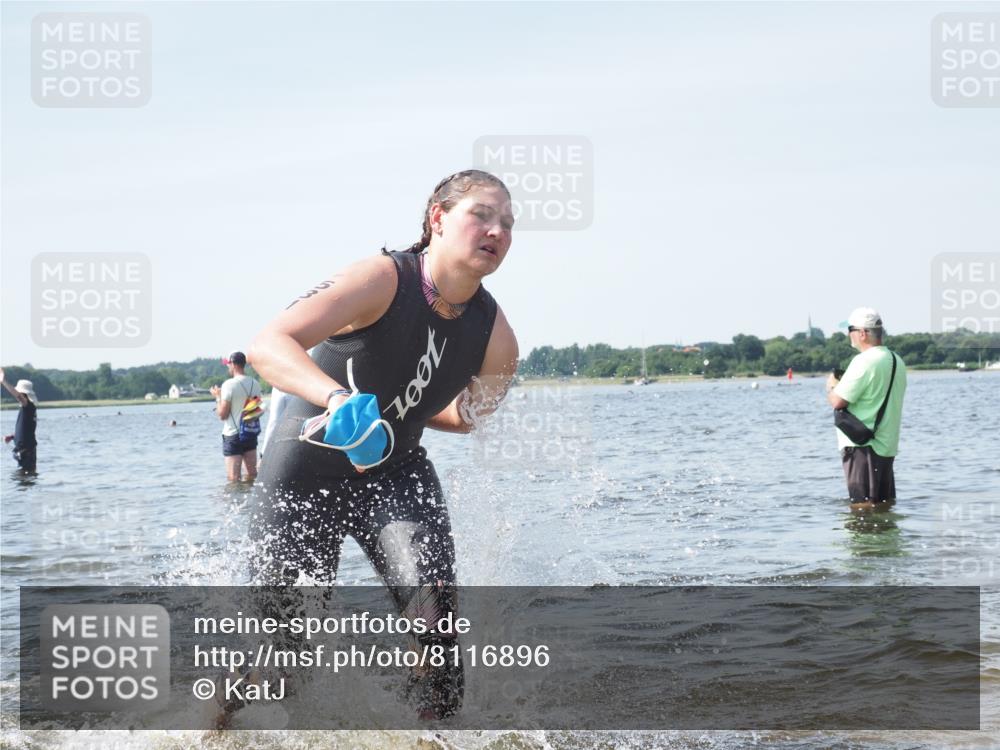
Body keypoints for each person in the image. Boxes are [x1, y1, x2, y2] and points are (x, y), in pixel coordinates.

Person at [235, 169, 518, 724]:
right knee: (279, 656)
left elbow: (465, 418)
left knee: (436, 630)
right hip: (305, 468)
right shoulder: (382, 278)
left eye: (508, 223)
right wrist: (337, 399)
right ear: (437, 218)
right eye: (481, 215)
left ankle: (430, 735)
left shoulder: (497, 339)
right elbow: (269, 346)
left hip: (396, 473)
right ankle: (207, 733)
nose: (497, 231)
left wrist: (394, 416)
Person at [826, 308, 907, 512]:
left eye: (850, 330)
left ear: (862, 333)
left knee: (862, 509)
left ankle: (866, 546)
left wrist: (831, 385)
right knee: (883, 507)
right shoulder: (897, 360)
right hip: (886, 446)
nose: (848, 335)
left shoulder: (864, 361)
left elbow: (837, 401)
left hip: (863, 447)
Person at [210, 352, 263, 482]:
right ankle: (251, 501)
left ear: (233, 364)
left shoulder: (229, 385)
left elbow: (223, 415)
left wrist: (217, 397)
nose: (228, 367)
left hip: (233, 435)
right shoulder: (255, 383)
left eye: (228, 364)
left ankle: (236, 502)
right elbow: (255, 409)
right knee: (252, 475)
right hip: (250, 433)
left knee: (234, 479)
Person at [1, 369, 39, 473]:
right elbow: (26, 429)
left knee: (24, 481)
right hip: (26, 451)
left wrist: (4, 381)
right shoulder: (28, 409)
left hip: (26, 452)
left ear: (24, 394)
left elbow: (18, 396)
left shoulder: (28, 406)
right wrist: (12, 436)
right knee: (26, 479)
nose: (18, 398)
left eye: (20, 394)